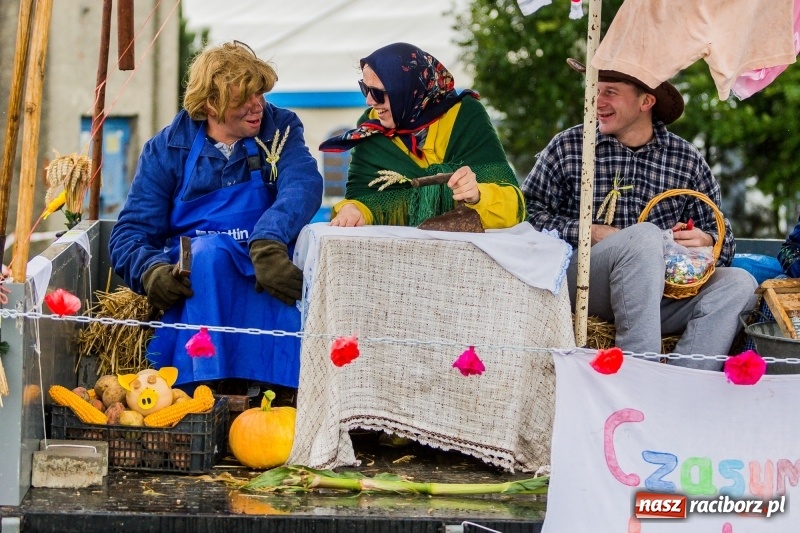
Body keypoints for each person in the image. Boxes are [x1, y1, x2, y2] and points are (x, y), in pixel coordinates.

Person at [109, 41, 323, 390]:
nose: (257, 106)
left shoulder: (279, 129)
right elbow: (129, 234)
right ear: (211, 103)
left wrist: (268, 241)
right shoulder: (167, 150)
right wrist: (151, 272)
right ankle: (206, 391)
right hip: (201, 293)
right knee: (208, 255)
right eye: (243, 100)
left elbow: (302, 184)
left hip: (265, 276)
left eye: (260, 94)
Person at [521, 59, 758, 369]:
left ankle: (685, 384)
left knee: (740, 282)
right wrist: (589, 232)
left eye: (610, 92)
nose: (597, 101)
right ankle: (639, 373)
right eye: (595, 91)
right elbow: (526, 217)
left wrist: (706, 240)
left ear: (646, 102)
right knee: (645, 237)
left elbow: (723, 243)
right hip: (583, 284)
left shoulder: (686, 158)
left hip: (660, 294)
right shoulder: (570, 146)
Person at [319, 42, 525, 229]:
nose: (370, 101)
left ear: (408, 90)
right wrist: (354, 209)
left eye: (379, 93)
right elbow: (362, 199)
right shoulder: (371, 130)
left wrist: (478, 195)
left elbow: (515, 207)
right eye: (365, 89)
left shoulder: (465, 115)